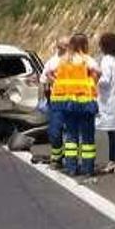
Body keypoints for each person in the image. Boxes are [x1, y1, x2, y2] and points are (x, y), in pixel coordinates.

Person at [53, 33, 100, 176]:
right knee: (87, 138)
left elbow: (53, 74)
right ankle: (87, 169)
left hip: (67, 104)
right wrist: (92, 81)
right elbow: (98, 72)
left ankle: (71, 167)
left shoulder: (63, 60)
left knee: (71, 137)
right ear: (84, 45)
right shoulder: (87, 60)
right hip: (85, 104)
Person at [95, 33, 115, 174]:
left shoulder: (107, 60)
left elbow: (105, 80)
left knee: (112, 132)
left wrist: (95, 78)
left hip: (109, 100)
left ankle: (113, 161)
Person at [39, 36, 69, 168]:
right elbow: (43, 81)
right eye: (66, 45)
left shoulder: (75, 61)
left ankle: (69, 159)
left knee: (71, 132)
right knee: (55, 132)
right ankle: (57, 157)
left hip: (71, 100)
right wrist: (44, 98)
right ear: (59, 47)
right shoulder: (52, 62)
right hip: (55, 101)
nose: (69, 47)